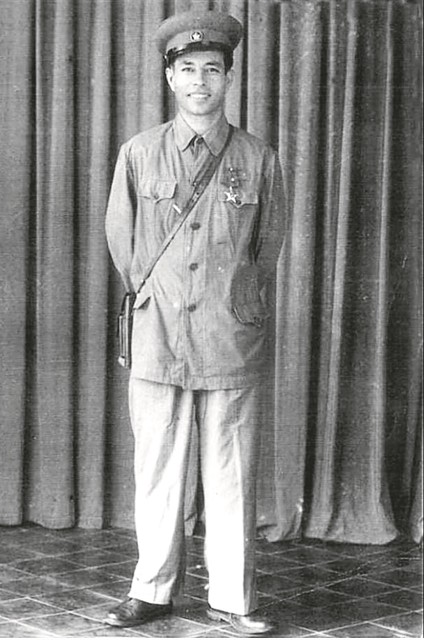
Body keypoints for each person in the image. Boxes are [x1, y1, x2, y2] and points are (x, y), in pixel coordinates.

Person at [104, 9, 286, 636]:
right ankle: (151, 590)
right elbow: (123, 239)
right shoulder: (139, 153)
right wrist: (156, 296)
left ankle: (232, 598)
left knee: (231, 470)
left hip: (229, 336)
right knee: (157, 468)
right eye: (188, 69)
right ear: (169, 78)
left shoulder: (258, 158)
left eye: (212, 69)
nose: (200, 81)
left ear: (229, 78)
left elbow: (267, 246)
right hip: (158, 335)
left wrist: (235, 300)